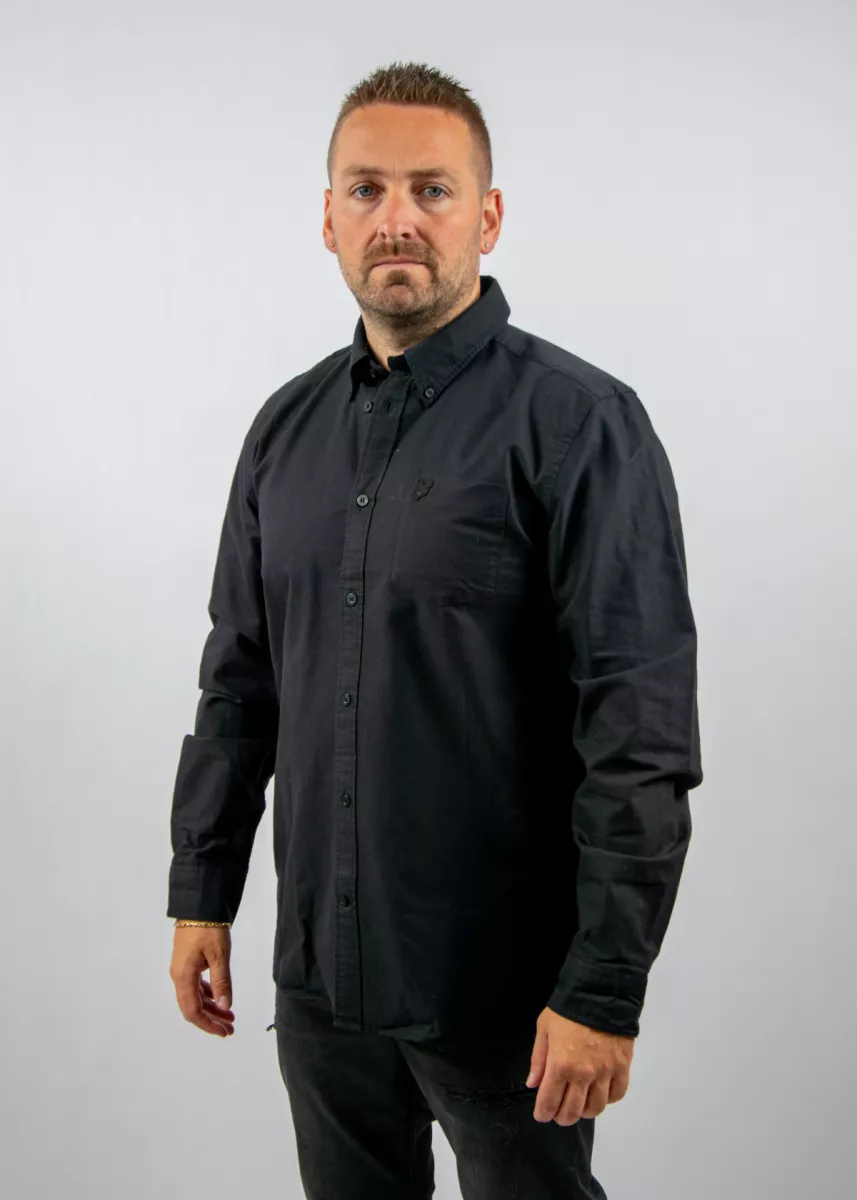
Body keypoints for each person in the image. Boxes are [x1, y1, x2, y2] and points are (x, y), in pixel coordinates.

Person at [167, 59, 703, 1200]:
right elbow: (239, 684)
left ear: (487, 217)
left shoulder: (579, 424)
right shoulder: (283, 432)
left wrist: (604, 989)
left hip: (508, 995)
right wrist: (201, 889)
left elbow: (639, 733)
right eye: (366, 190)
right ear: (328, 219)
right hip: (321, 982)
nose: (396, 219)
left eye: (432, 189)